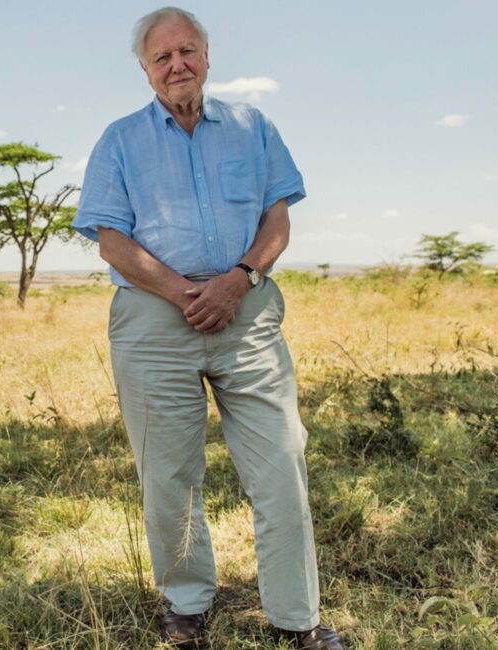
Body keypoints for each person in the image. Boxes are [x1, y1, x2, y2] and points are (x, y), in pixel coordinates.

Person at [72, 7, 346, 650]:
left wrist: (236, 281)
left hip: (244, 308)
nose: (177, 65)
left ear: (207, 56)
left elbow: (277, 221)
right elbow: (110, 239)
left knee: (281, 461)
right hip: (152, 316)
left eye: (187, 51)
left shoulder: (254, 127)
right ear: (145, 71)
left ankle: (296, 618)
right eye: (162, 58)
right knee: (168, 471)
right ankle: (186, 604)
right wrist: (184, 291)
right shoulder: (119, 140)